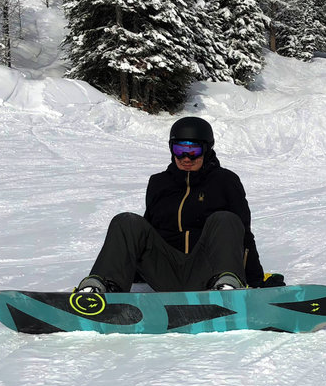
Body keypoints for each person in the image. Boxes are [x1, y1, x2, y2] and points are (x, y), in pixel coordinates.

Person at [75, 117, 271, 294]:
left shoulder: (225, 181)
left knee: (225, 219)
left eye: (193, 151)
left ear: (207, 149)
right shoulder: (159, 183)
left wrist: (257, 280)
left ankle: (227, 287)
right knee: (127, 221)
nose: (186, 158)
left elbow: (243, 234)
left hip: (207, 272)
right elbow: (143, 235)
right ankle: (100, 290)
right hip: (164, 271)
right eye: (179, 150)